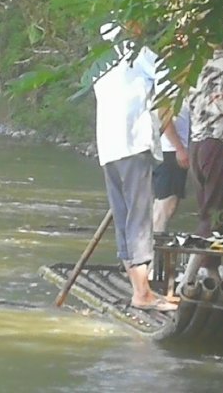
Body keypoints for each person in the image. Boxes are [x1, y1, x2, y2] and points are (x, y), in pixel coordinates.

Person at [93, 22, 177, 312]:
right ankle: (143, 293)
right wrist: (170, 140)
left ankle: (138, 290)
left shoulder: (99, 64)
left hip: (109, 149)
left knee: (124, 218)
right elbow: (168, 96)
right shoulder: (141, 54)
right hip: (133, 145)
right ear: (131, 27)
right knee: (139, 220)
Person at [186, 32, 223, 282]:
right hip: (217, 143)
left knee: (207, 210)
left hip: (196, 144)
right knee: (214, 213)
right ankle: (188, 277)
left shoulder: (192, 62)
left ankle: (211, 272)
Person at [153, 100, 190, 233]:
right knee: (165, 205)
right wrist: (179, 148)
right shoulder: (167, 83)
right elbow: (163, 114)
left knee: (168, 204)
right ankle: (153, 248)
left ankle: (154, 245)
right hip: (169, 150)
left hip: (170, 148)